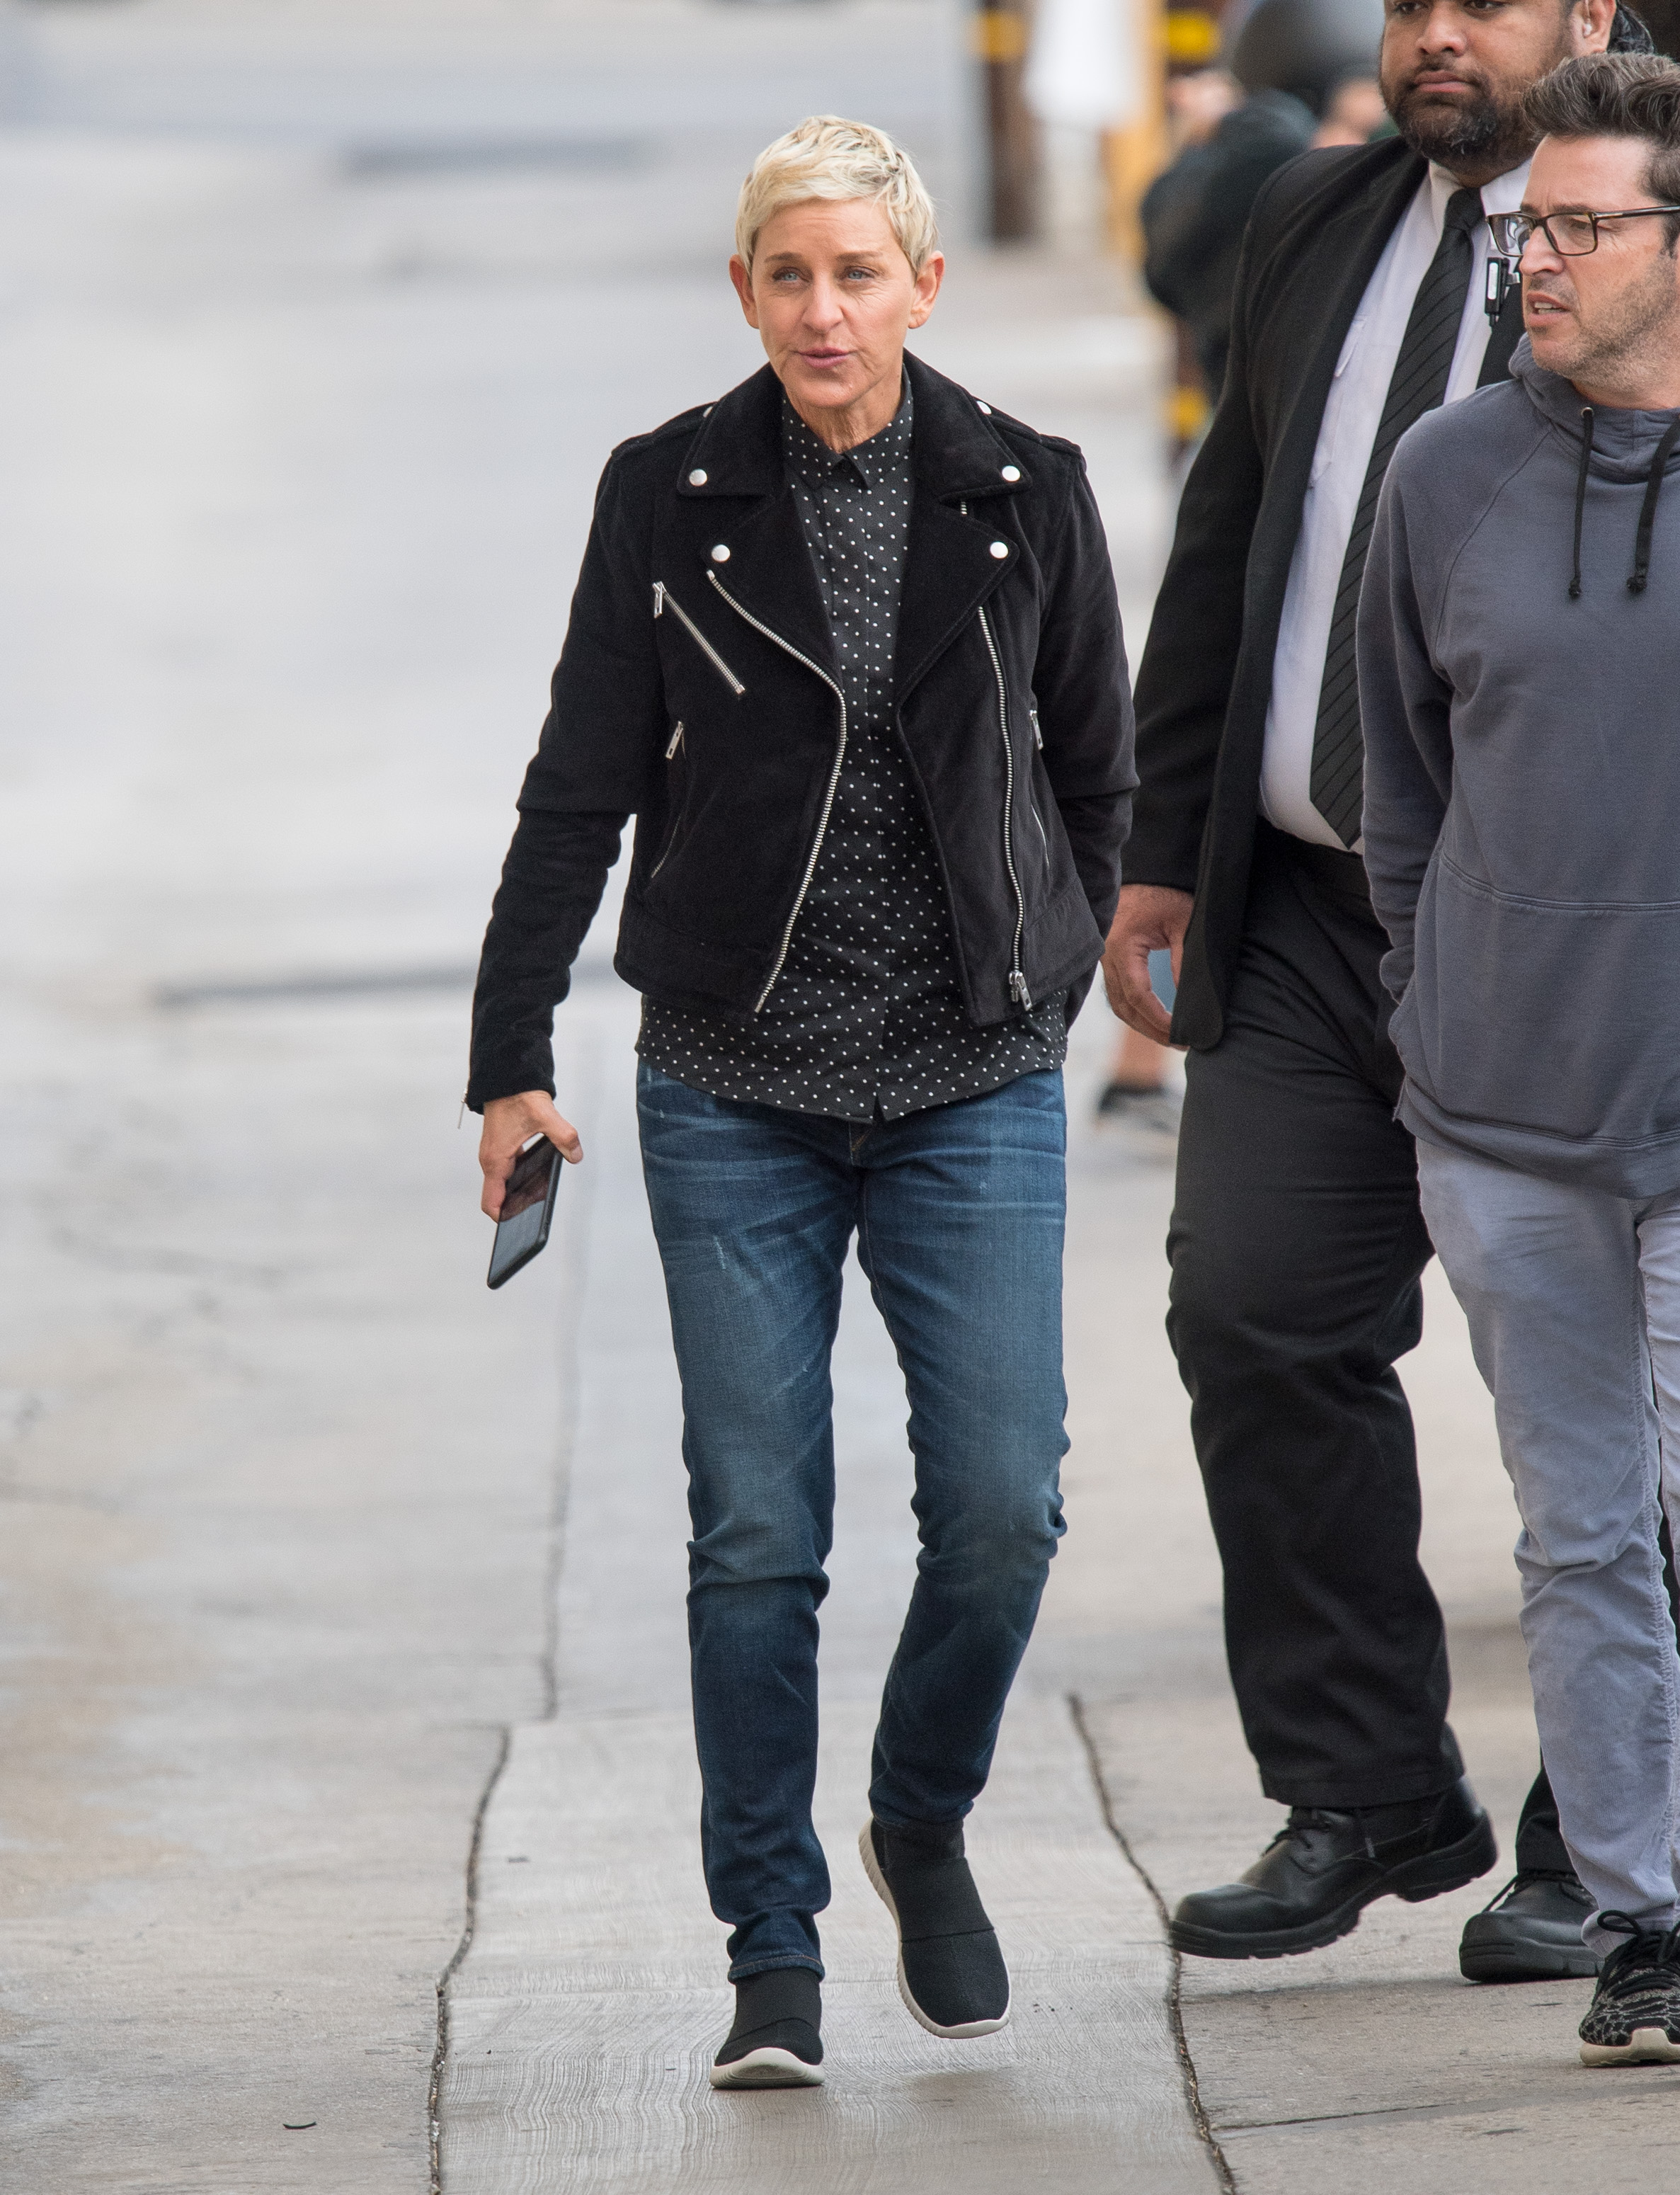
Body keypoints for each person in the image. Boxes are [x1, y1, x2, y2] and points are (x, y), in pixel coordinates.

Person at [467, 117, 1134, 2088]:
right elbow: (579, 782)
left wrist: (1056, 958)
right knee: (756, 1528)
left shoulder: (1031, 488)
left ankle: (918, 1812)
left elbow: (1093, 765)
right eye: (789, 276)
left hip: (972, 1080)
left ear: (926, 286)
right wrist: (512, 1056)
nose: (824, 311)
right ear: (745, 292)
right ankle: (773, 1940)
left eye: (860, 274)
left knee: (1003, 1507)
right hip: (735, 1084)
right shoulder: (665, 494)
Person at [1105, 0, 1662, 1984]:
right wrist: (1166, 844)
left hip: (1562, 938)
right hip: (1309, 915)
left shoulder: (1647, 236)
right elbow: (1231, 535)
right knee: (1251, 1312)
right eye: (1410, 1)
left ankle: (1602, 1839)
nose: (1434, 35)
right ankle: (1366, 1787)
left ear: (1587, 18)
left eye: (1482, 5)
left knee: (1606, 1415)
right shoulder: (1317, 218)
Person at [1359, 51, 1680, 2063]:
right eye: (1521, 226)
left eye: (1577, 225)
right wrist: (1434, 1000)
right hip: (1502, 1118)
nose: (1535, 260)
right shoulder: (1449, 475)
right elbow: (1400, 789)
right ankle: (1649, 1914)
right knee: (1577, 1532)